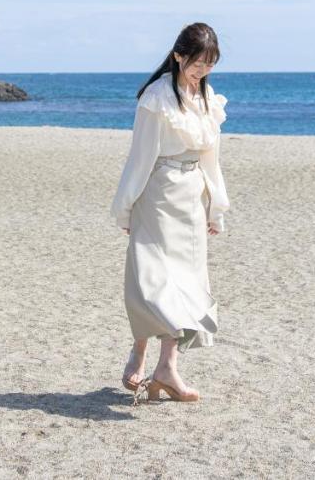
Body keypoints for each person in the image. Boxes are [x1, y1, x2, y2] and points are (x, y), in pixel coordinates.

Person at [110, 22, 230, 403]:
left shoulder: (208, 98)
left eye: (210, 64)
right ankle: (139, 353)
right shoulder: (156, 97)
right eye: (197, 63)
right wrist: (125, 206)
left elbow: (211, 157)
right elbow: (140, 158)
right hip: (158, 194)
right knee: (154, 282)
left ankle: (167, 368)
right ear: (178, 56)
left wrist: (217, 207)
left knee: (189, 285)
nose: (203, 70)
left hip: (192, 197)